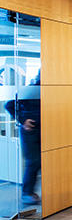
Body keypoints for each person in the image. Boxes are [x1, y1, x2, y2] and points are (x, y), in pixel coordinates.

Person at [5, 71, 41, 205]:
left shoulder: (51, 91)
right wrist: (23, 120)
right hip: (30, 131)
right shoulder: (30, 90)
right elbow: (9, 105)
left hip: (46, 130)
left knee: (42, 161)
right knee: (34, 161)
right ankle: (27, 193)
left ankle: (32, 192)